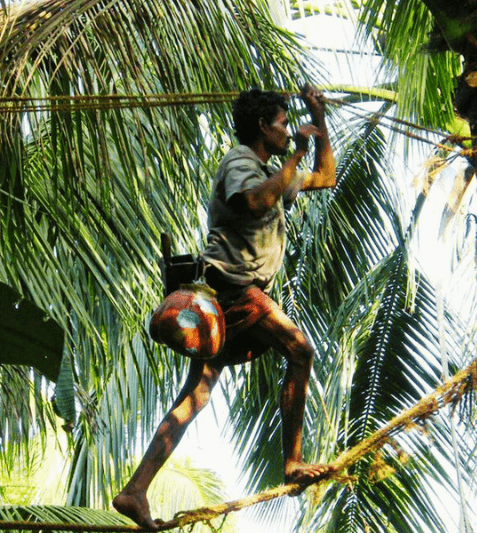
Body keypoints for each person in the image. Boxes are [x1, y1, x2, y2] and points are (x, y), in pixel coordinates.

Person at [113, 85, 336, 530]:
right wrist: (299, 152)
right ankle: (292, 463)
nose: (288, 131)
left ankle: (135, 490)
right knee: (300, 351)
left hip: (234, 298)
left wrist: (320, 120)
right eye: (284, 123)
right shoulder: (240, 161)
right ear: (262, 126)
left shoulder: (271, 169)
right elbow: (255, 202)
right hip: (231, 291)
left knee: (196, 395)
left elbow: (326, 177)